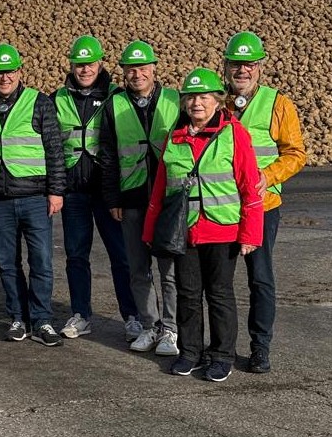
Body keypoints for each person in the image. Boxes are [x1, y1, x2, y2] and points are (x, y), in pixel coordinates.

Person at [143, 68, 262, 382]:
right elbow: (160, 189)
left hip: (222, 231)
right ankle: (190, 352)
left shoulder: (234, 133)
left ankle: (222, 356)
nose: (197, 103)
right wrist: (150, 231)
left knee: (220, 295)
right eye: (191, 97)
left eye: (204, 97)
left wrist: (251, 233)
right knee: (187, 294)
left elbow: (249, 185)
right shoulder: (175, 136)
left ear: (217, 101)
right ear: (183, 102)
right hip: (185, 233)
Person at [222, 31, 306, 374]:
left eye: (249, 65)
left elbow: (296, 154)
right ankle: (222, 348)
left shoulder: (279, 104)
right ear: (226, 68)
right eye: (236, 65)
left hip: (263, 206)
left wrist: (267, 177)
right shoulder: (217, 104)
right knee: (219, 284)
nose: (243, 71)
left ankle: (260, 347)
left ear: (260, 68)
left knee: (260, 279)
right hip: (222, 208)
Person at [0, 44, 66, 346]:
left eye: (10, 71)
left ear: (19, 72)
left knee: (41, 261)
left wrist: (56, 191)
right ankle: (18, 317)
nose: (5, 78)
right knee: (7, 264)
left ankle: (42, 320)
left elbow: (55, 148)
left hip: (34, 197)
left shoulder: (39, 102)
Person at [55, 35, 140, 341]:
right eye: (79, 64)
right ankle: (80, 314)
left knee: (122, 255)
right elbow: (53, 147)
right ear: (72, 65)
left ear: (100, 63)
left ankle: (132, 316)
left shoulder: (116, 97)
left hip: (107, 191)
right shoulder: (59, 98)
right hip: (74, 191)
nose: (85, 70)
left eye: (90, 64)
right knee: (76, 255)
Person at [100, 41, 181, 356]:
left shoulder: (175, 100)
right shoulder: (114, 105)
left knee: (169, 270)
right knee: (138, 269)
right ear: (123, 72)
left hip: (168, 198)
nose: (137, 74)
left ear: (154, 69)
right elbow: (107, 156)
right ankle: (150, 326)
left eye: (143, 68)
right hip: (132, 198)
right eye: (131, 69)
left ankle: (171, 330)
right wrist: (112, 198)